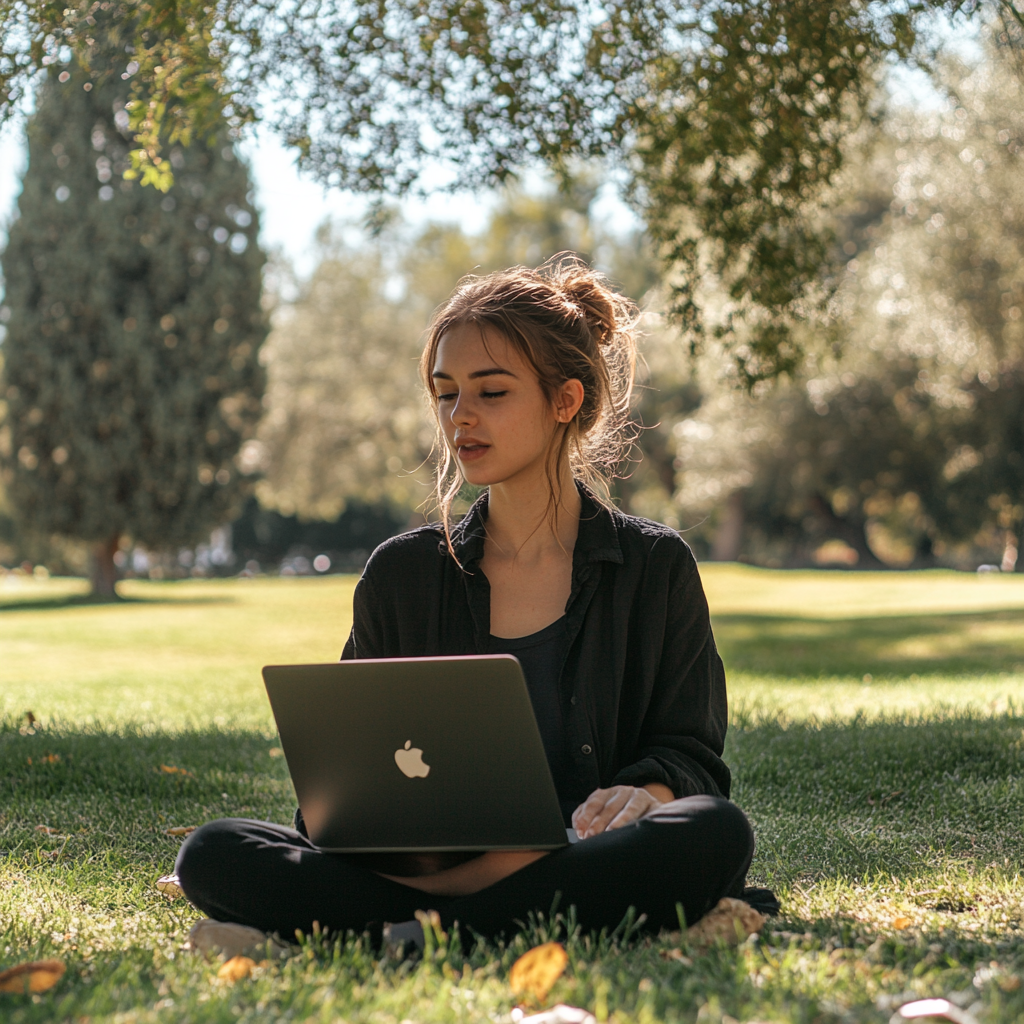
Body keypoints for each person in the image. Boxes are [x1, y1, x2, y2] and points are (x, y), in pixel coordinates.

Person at [175, 257, 763, 952]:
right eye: (446, 393)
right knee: (213, 852)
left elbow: (693, 756)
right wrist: (347, 813)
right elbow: (345, 781)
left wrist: (652, 795)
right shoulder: (402, 574)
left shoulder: (656, 569)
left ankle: (407, 933)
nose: (461, 417)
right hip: (433, 870)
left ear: (565, 400)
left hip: (585, 854)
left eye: (491, 392)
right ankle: (486, 920)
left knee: (715, 835)